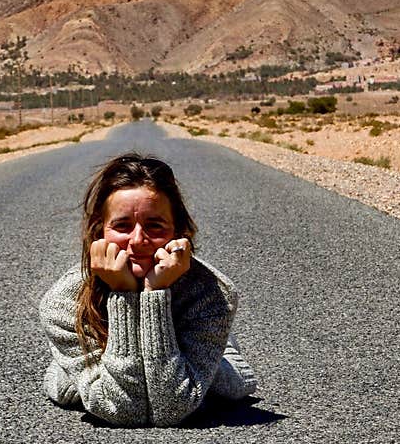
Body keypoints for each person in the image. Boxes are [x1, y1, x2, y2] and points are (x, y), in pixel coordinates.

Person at [39, 152, 258, 427]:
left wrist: (154, 292)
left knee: (230, 385)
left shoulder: (212, 294)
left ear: (178, 231)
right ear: (99, 232)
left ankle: (223, 348)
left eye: (155, 225)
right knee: (66, 390)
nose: (138, 240)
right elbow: (122, 409)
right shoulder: (61, 303)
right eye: (122, 226)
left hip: (188, 356)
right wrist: (125, 293)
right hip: (109, 356)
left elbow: (171, 409)